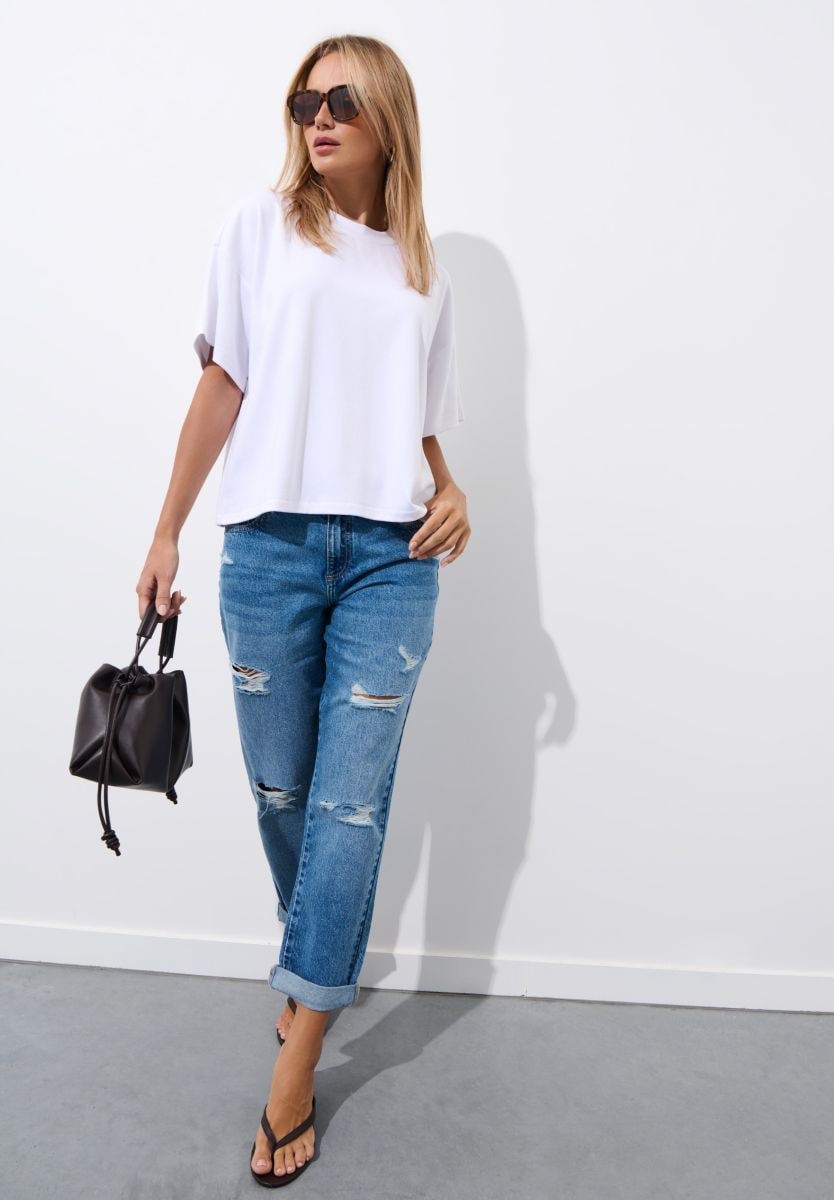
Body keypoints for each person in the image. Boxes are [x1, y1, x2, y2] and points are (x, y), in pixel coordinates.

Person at [135, 33, 470, 1186]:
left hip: (392, 559)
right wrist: (168, 529)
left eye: (339, 99)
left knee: (349, 810)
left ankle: (299, 1057)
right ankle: (313, 964)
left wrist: (455, 488)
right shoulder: (261, 229)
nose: (316, 116)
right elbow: (223, 380)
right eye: (302, 100)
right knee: (283, 793)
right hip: (270, 549)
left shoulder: (423, 269)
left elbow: (421, 424)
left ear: (387, 116)